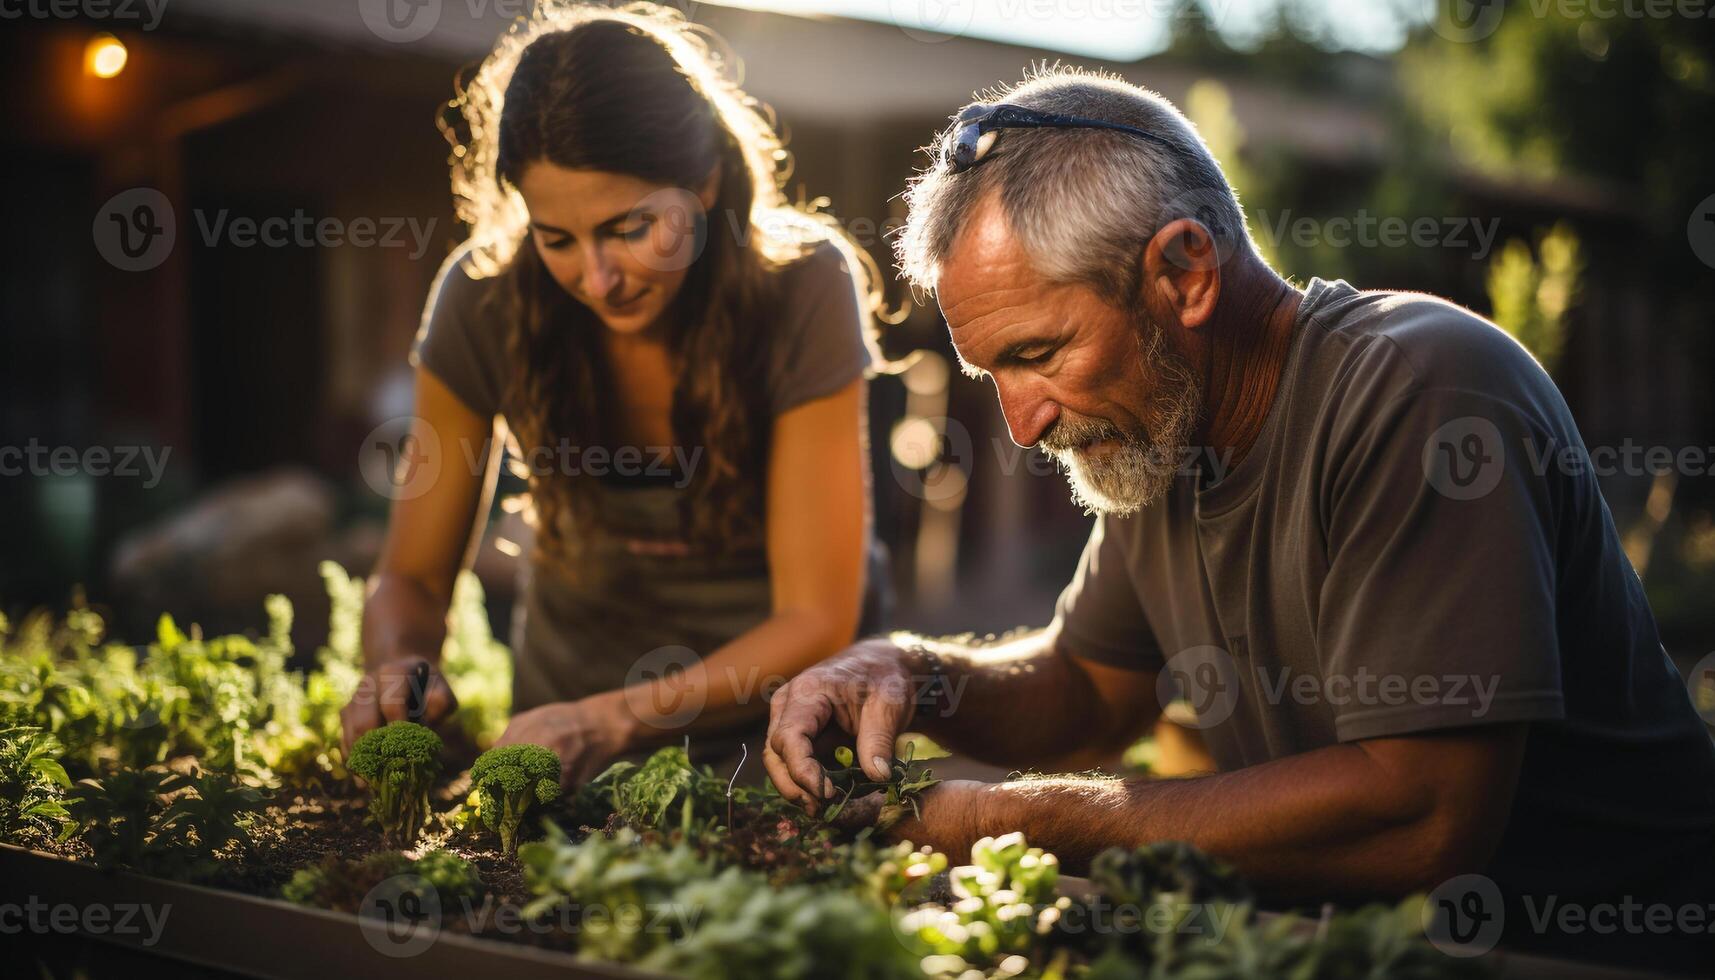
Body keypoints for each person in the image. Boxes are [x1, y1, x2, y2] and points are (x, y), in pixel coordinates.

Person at [764, 68, 1715, 970]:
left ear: (1182, 271)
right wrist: (907, 672)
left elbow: (1419, 811)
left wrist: (1004, 819)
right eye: (992, 374)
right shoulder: (1158, 432)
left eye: (1040, 352)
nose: (1022, 424)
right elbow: (1088, 693)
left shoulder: (1420, 391)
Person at [340, 2, 888, 786]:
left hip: (774, 749)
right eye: (556, 238)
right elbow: (414, 578)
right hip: (555, 744)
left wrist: (612, 719)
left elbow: (814, 618)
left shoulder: (802, 289)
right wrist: (400, 665)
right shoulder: (481, 299)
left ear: (703, 184)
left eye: (629, 228)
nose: (597, 279)